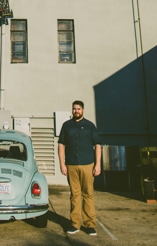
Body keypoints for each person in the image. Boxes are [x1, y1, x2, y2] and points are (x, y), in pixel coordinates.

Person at [58, 100, 101, 236]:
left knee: (88, 194)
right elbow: (61, 145)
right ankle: (75, 224)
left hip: (87, 165)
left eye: (78, 109)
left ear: (83, 110)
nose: (76, 111)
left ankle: (89, 225)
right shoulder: (66, 126)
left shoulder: (89, 126)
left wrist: (98, 164)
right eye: (74, 109)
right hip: (71, 165)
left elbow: (98, 145)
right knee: (74, 195)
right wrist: (62, 164)